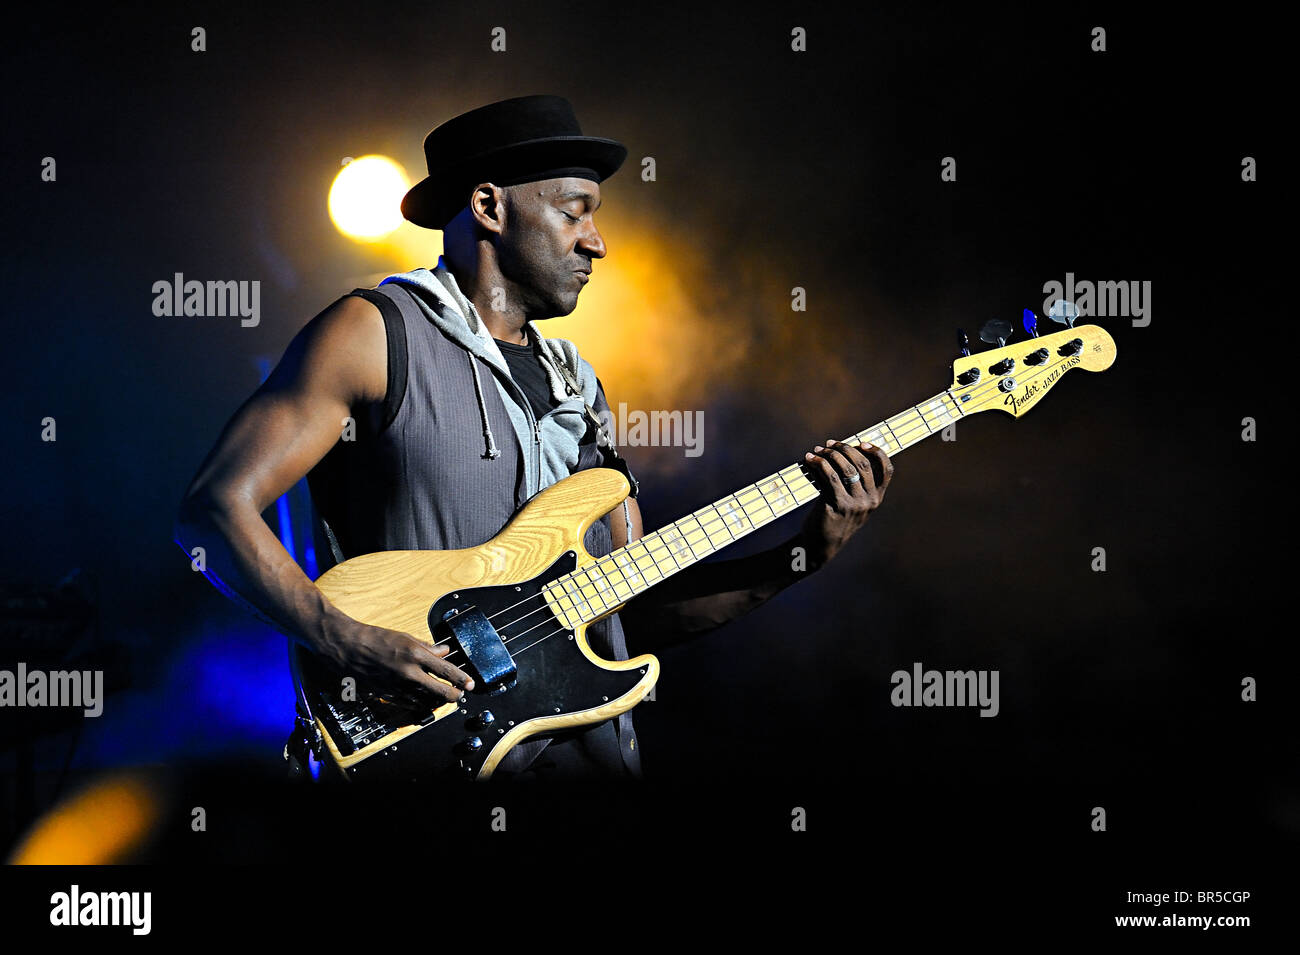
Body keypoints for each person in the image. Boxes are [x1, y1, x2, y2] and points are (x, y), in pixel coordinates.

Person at [174, 94, 894, 780]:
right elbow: (211, 510)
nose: (598, 241)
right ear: (489, 206)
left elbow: (627, 615)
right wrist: (342, 638)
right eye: (575, 211)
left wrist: (800, 554)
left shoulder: (579, 387)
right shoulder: (374, 334)